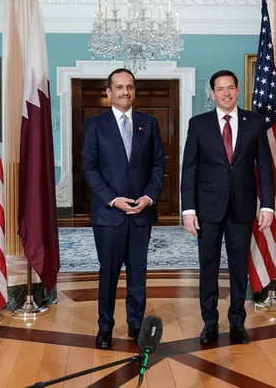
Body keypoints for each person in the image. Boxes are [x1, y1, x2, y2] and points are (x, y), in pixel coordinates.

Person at [180, 69, 275, 345]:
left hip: (242, 208)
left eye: (230, 88)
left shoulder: (254, 122)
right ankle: (209, 323)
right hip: (207, 209)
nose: (226, 93)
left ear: (238, 90)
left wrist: (267, 205)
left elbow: (265, 166)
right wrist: (188, 209)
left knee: (238, 267)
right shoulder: (198, 124)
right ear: (212, 93)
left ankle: (237, 323)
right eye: (220, 89)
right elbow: (189, 168)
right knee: (208, 266)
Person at [81, 68, 166, 349]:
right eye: (119, 87)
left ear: (134, 90)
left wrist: (149, 197)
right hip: (109, 214)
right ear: (108, 91)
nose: (125, 92)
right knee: (108, 274)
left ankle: (136, 325)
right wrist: (112, 199)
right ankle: (105, 327)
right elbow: (89, 168)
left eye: (129, 87)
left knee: (138, 274)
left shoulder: (149, 123)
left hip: (142, 212)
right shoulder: (95, 124)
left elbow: (158, 164)